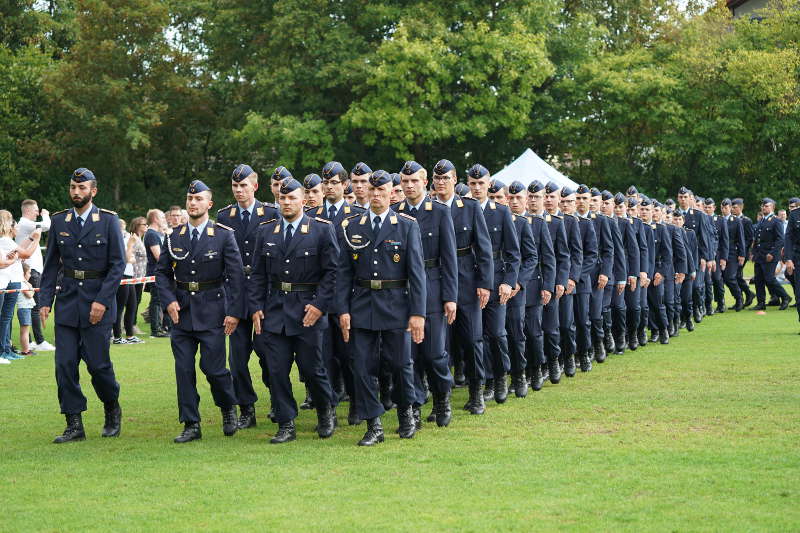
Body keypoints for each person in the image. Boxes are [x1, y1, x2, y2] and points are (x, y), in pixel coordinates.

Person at [336, 169, 426, 445]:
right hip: (362, 304)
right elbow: (343, 273)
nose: (376, 195)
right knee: (361, 367)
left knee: (400, 364)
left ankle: (405, 413)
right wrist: (343, 310)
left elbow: (417, 274)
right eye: (372, 190)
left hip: (395, 304)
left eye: (381, 190)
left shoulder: (406, 225)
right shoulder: (351, 225)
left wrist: (417, 313)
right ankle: (373, 423)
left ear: (391, 193)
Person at [39, 168, 126, 443]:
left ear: (93, 191)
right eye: (73, 187)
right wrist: (44, 301)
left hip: (97, 304)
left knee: (98, 366)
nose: (77, 192)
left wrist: (102, 300)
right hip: (68, 304)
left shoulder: (108, 221)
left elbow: (117, 266)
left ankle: (111, 406)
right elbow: (51, 264)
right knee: (64, 365)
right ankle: (74, 423)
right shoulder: (59, 221)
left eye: (82, 188)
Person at [155, 179, 245, 443]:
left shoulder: (223, 235)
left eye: (199, 199)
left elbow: (236, 277)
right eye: (190, 199)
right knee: (183, 370)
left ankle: (228, 407)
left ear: (209, 204)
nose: (193, 203)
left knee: (214, 369)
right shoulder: (174, 236)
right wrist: (168, 299)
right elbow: (161, 273)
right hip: (181, 313)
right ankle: (191, 423)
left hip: (213, 310)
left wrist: (234, 312)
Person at [249, 177, 338, 443]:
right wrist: (255, 307)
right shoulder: (266, 231)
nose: (286, 202)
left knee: (312, 369)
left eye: (292, 198)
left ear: (304, 200)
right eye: (283, 198)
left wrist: (320, 306)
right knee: (276, 370)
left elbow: (333, 272)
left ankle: (325, 410)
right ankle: (286, 422)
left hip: (308, 309)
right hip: (275, 309)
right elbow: (257, 275)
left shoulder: (321, 230)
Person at [394, 160, 458, 426]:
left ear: (424, 182)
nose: (409, 186)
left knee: (434, 353)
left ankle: (442, 397)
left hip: (432, 287)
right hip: (402, 291)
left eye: (414, 181)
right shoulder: (395, 211)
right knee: (409, 356)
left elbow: (450, 257)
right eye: (405, 182)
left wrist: (450, 296)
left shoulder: (440, 212)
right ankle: (415, 404)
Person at [215, 164, 279, 429]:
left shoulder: (271, 213)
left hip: (264, 295)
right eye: (235, 186)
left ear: (254, 186)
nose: (238, 191)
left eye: (243, 186)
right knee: (237, 359)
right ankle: (247, 408)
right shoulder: (224, 216)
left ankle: (278, 399)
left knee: (268, 354)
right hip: (235, 294)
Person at [431, 159, 492, 414]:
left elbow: (484, 247)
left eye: (446, 178)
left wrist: (485, 283)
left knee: (472, 340)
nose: (442, 182)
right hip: (436, 280)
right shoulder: (428, 208)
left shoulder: (469, 207)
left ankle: (476, 393)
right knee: (439, 344)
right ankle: (440, 399)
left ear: (455, 180)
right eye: (438, 178)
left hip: (466, 280)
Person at [314, 161, 365, 425]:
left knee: (349, 356)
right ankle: (329, 405)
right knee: (323, 357)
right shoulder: (312, 216)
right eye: (326, 182)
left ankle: (356, 402)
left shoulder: (356, 214)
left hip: (348, 297)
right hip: (322, 298)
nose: (329, 187)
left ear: (345, 185)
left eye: (334, 182)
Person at [466, 165, 520, 404]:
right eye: (473, 184)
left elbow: (513, 253)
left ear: (489, 184)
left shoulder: (501, 212)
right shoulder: (462, 210)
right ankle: (484, 380)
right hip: (470, 281)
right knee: (475, 337)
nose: (477, 188)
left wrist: (509, 282)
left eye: (481, 184)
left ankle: (500, 377)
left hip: (497, 282)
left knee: (496, 334)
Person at [1, 213, 42, 361]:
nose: (16, 225)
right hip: (8, 281)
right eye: (14, 223)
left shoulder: (7, 241)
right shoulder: (5, 241)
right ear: (8, 226)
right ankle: (3, 349)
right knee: (5, 318)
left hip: (10, 282)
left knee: (7, 317)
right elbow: (26, 254)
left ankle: (6, 348)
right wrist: (36, 239)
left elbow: (19, 249)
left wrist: (31, 238)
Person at [16, 199, 55, 351]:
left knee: (31, 306)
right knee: (35, 306)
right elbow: (47, 225)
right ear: (27, 210)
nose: (38, 213)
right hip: (30, 270)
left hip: (33, 270)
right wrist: (46, 215)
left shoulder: (26, 224)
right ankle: (39, 341)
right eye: (36, 210)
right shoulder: (25, 223)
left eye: (39, 211)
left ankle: (32, 340)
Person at [751, 198, 791, 310]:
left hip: (770, 256)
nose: (764, 208)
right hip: (759, 255)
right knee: (758, 280)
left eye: (767, 206)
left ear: (772, 207)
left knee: (769, 279)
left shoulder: (776, 221)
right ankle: (761, 303)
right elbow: (757, 239)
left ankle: (785, 297)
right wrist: (753, 252)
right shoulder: (762, 221)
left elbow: (780, 240)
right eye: (763, 206)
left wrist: (772, 253)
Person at [113, 219, 144, 344]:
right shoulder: (120, 240)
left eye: (124, 227)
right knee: (119, 307)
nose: (124, 231)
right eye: (122, 228)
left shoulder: (125, 239)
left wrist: (130, 256)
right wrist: (130, 245)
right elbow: (125, 258)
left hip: (129, 275)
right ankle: (117, 337)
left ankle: (130, 335)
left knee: (132, 305)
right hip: (121, 275)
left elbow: (132, 258)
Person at [144, 209, 169, 337]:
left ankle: (161, 327)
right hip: (155, 273)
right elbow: (158, 255)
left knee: (158, 300)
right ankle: (156, 330)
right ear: (155, 219)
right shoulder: (152, 234)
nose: (164, 219)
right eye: (162, 217)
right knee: (156, 301)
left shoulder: (154, 233)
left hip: (157, 272)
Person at [731, 198, 755, 307]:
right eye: (732, 207)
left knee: (735, 275)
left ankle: (748, 294)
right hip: (732, 252)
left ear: (741, 207)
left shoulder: (746, 221)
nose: (733, 209)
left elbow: (750, 239)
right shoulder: (730, 219)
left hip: (741, 253)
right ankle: (743, 297)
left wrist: (742, 250)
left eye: (735, 207)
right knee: (736, 276)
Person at [128, 217, 148, 334]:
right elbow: (129, 254)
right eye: (144, 224)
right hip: (133, 276)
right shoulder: (133, 239)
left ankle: (131, 324)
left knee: (137, 301)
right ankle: (131, 325)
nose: (146, 226)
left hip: (140, 276)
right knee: (132, 302)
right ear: (137, 226)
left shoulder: (140, 239)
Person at [784, 200, 800, 327]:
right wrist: (788, 259)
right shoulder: (794, 215)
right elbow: (788, 238)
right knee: (799, 294)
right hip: (798, 257)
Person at [17, 263, 36, 356]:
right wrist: (31, 289)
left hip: (26, 309)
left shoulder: (24, 283)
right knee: (25, 331)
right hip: (24, 309)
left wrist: (30, 286)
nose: (30, 275)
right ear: (23, 273)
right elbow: (29, 294)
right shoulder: (21, 283)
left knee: (26, 331)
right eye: (29, 273)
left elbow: (30, 288)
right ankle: (25, 350)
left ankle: (26, 349)